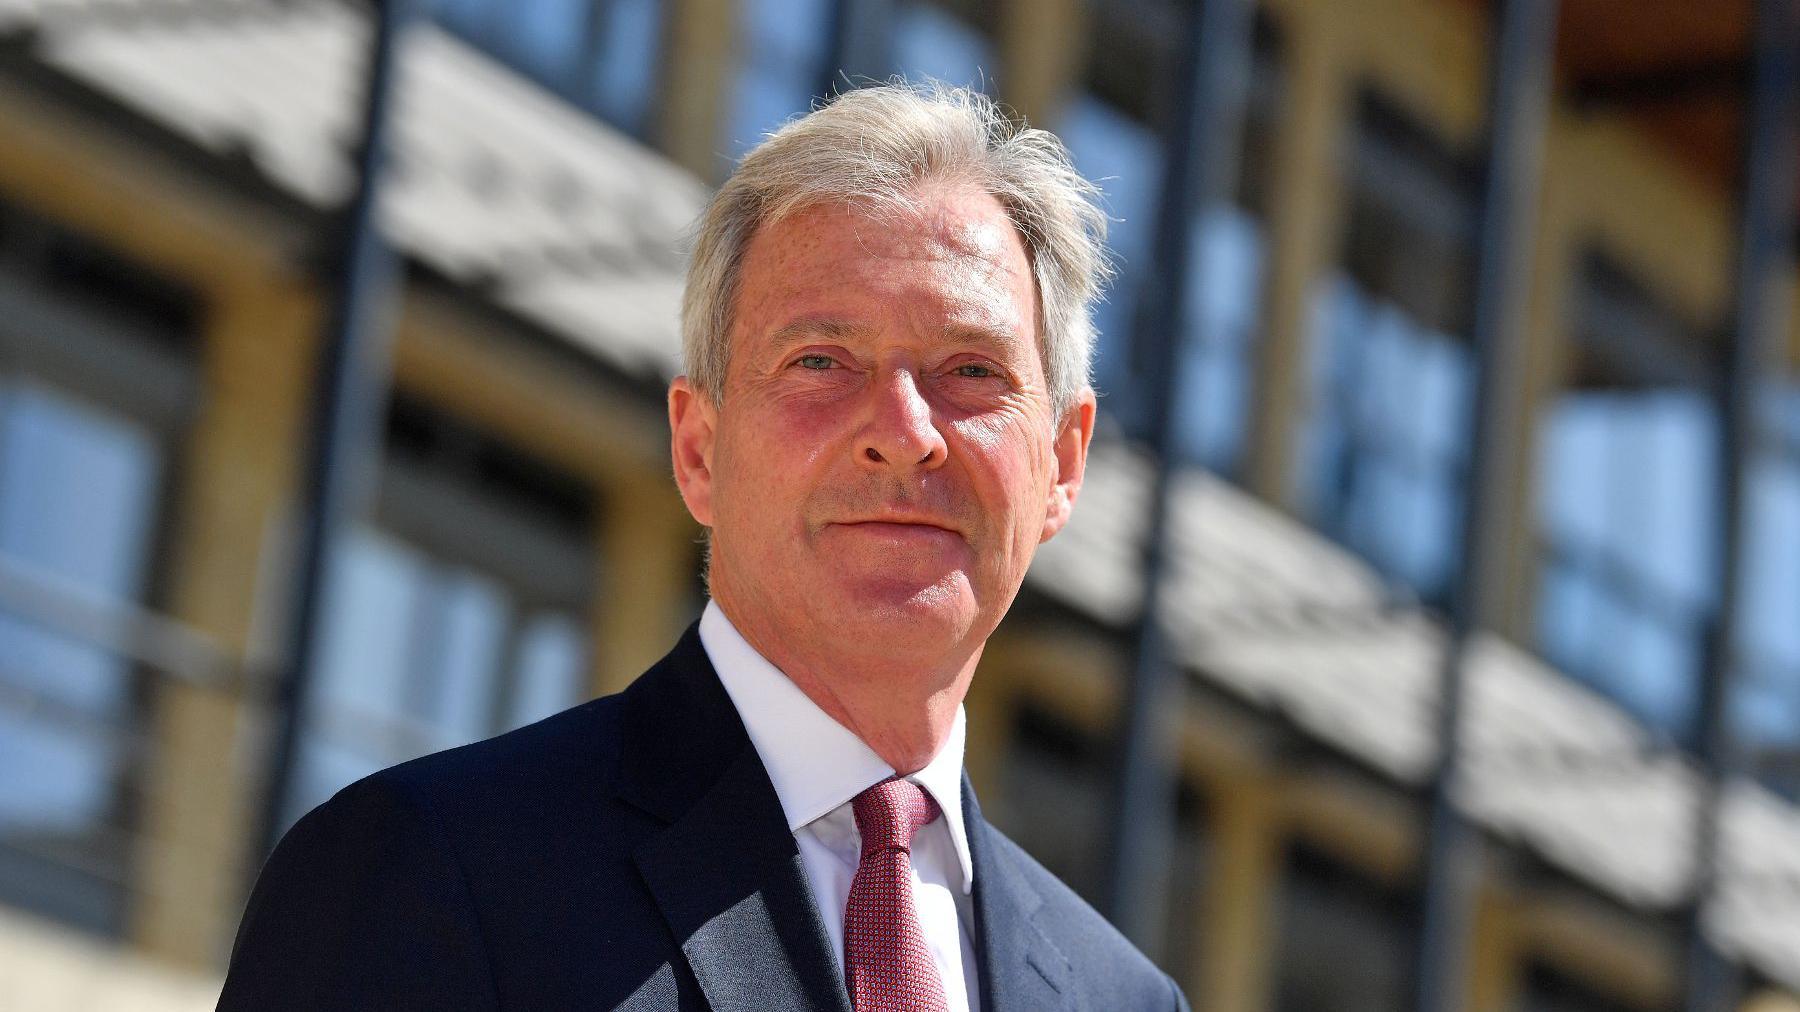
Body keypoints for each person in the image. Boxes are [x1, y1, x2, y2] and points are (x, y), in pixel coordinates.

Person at [218, 81, 1189, 1011]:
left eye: (971, 369)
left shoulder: (1125, 999)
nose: (905, 429)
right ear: (698, 450)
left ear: (1062, 463)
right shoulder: (433, 872)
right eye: (821, 361)